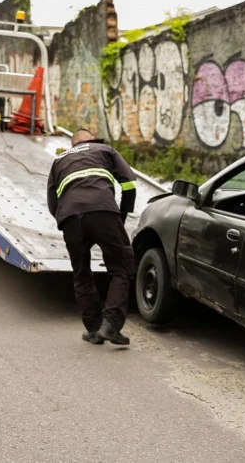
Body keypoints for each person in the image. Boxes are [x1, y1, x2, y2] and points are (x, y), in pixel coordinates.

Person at [47, 128, 138, 346]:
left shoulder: (59, 161)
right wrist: (121, 215)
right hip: (103, 211)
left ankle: (94, 329)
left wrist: (65, 220)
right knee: (121, 268)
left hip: (70, 218)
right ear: (90, 139)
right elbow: (128, 184)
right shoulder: (104, 149)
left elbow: (52, 201)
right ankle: (111, 324)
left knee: (81, 274)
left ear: (73, 144)